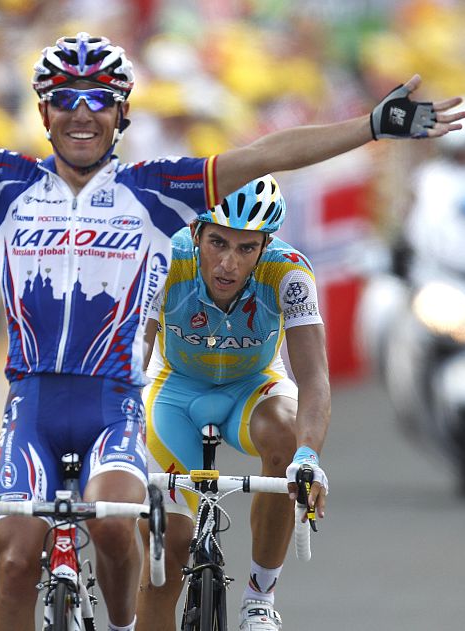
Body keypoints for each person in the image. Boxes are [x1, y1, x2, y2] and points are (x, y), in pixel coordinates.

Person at [0, 32, 465, 631]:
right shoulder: (5, 183)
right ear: (43, 112)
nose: (81, 111)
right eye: (64, 98)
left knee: (111, 525)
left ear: (121, 112)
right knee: (17, 556)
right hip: (30, 402)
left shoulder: (153, 192)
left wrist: (370, 126)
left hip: (112, 405)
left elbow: (265, 155)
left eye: (98, 99)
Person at [136, 175, 325, 631]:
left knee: (285, 439)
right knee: (172, 546)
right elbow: (133, 355)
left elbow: (314, 377)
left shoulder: (289, 272)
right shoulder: (166, 256)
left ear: (266, 245)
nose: (228, 263)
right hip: (175, 391)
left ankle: (260, 596)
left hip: (252, 388)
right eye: (218, 242)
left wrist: (307, 456)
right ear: (196, 232)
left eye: (246, 248)